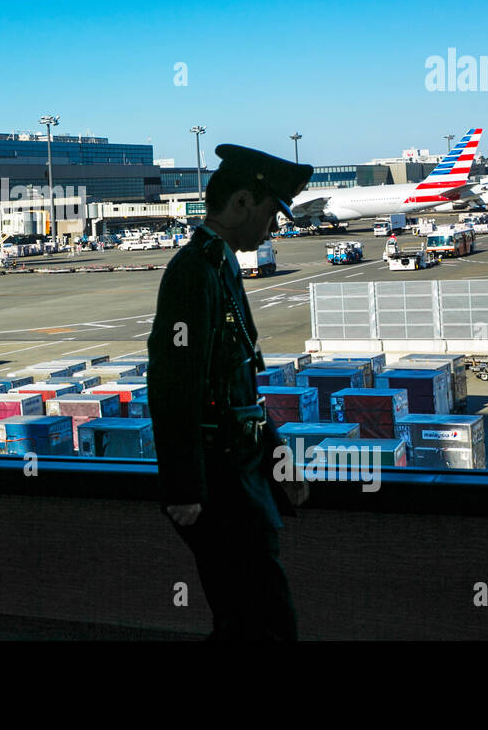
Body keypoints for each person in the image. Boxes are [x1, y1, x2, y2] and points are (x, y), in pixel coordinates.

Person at [146, 143, 313, 641]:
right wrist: (184, 488)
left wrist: (281, 463)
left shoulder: (221, 266)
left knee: (252, 620)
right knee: (261, 622)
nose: (274, 227)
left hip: (240, 478)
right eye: (270, 212)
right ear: (242, 202)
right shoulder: (193, 273)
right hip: (219, 488)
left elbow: (239, 390)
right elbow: (174, 381)